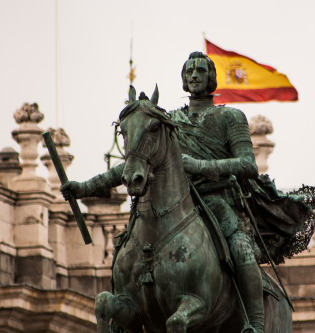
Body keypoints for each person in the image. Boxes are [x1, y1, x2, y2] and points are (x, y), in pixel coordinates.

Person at [61, 51, 265, 333]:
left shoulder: (230, 117)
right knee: (126, 243)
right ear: (183, 78)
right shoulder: (167, 121)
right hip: (174, 201)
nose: (194, 75)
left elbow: (248, 164)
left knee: (242, 250)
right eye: (189, 71)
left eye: (201, 71)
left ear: (211, 78)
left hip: (218, 201)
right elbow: (134, 163)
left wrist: (199, 165)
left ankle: (254, 325)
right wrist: (84, 188)